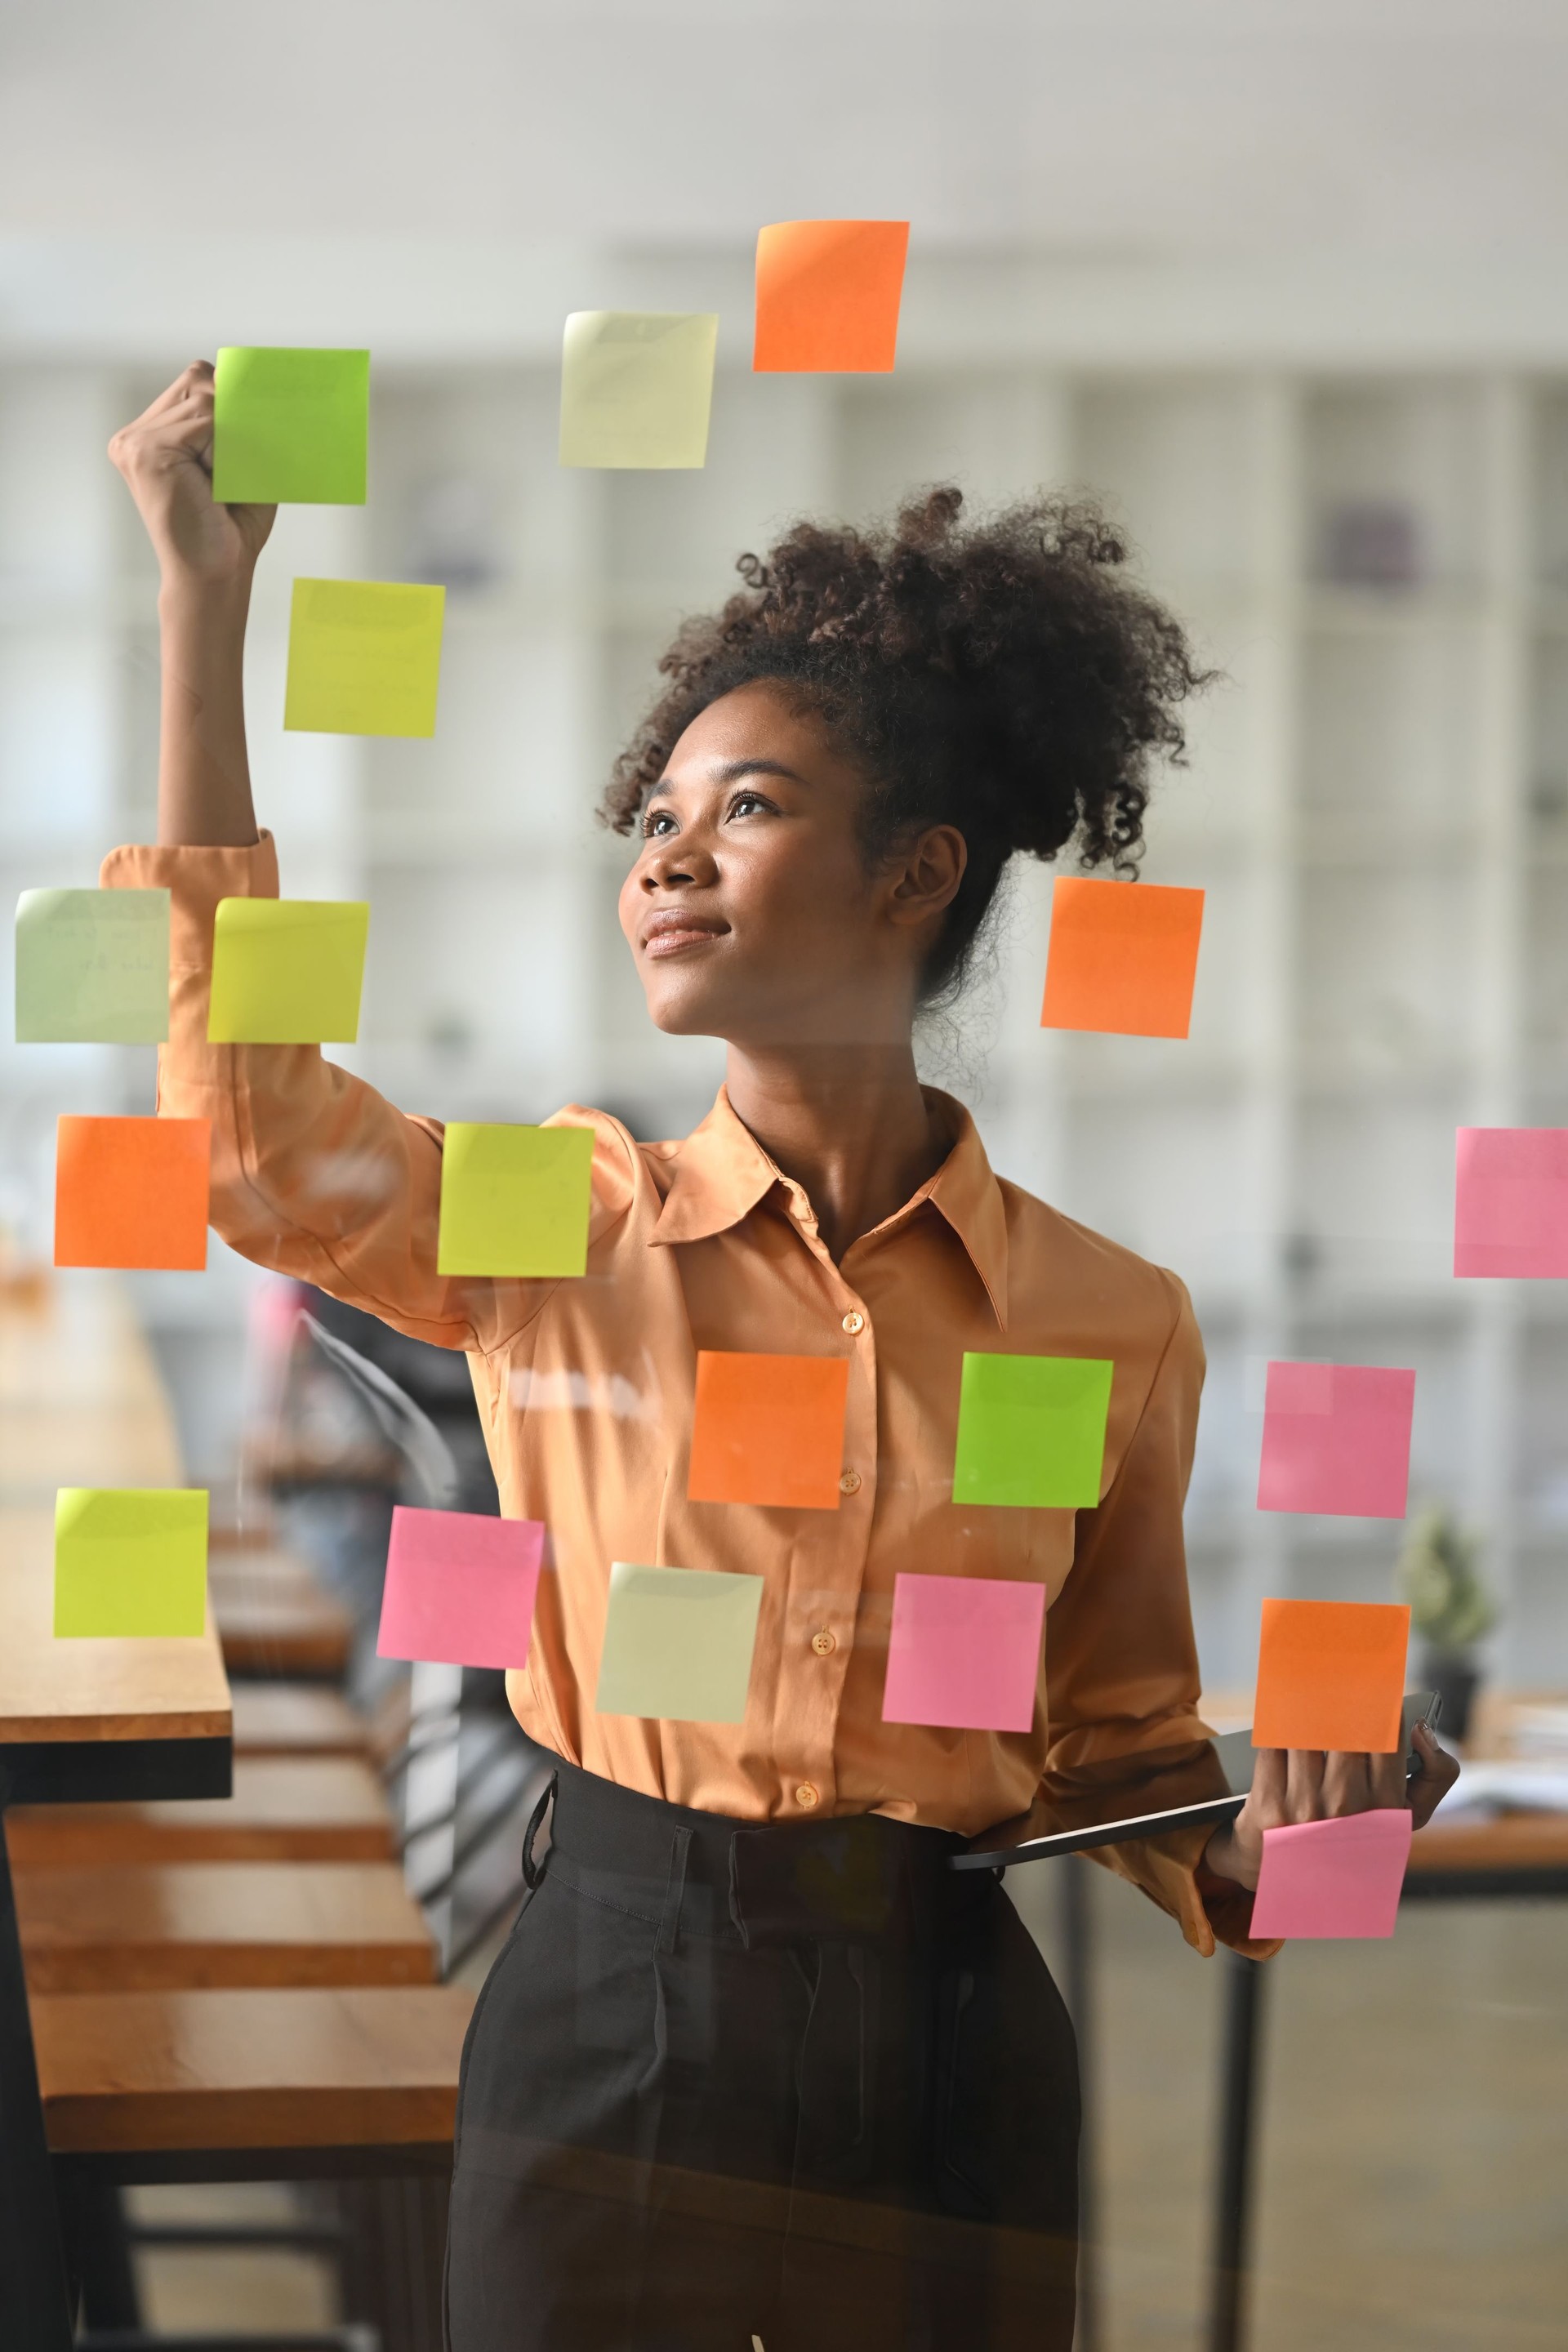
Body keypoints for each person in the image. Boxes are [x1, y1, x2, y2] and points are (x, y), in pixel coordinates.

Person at [108, 363, 1459, 2352]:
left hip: (955, 2044)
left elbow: (1135, 1781)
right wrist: (201, 613)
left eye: (746, 808)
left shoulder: (1109, 1320)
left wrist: (1333, 1832)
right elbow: (241, 1143)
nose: (668, 856)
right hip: (603, 1997)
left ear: (917, 870)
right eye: (656, 818)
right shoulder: (568, 1225)